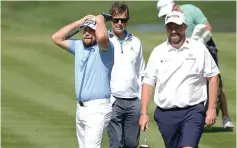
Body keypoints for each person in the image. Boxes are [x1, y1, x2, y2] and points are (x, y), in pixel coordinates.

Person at [139, 11, 220, 148]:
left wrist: (211, 108)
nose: (174, 31)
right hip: (165, 114)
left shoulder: (198, 48)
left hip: (193, 110)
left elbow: (213, 76)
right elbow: (148, 83)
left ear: (184, 27)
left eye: (177, 27)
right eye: (170, 27)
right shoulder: (158, 52)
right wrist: (144, 114)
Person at [156, 0, 234, 129]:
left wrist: (200, 40)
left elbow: (208, 27)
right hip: (186, 49)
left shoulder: (191, 10)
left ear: (175, 6)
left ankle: (225, 117)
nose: (167, 17)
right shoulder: (170, 20)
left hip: (206, 45)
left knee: (216, 80)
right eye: (165, 16)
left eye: (168, 13)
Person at [52, 14, 114, 148]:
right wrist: (80, 21)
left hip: (97, 109)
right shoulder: (79, 46)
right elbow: (56, 38)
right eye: (85, 30)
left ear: (97, 33)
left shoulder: (105, 49)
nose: (87, 34)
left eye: (91, 31)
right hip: (81, 109)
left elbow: (103, 37)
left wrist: (100, 20)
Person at [107, 1, 146, 148]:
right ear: (110, 20)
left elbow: (141, 72)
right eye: (115, 20)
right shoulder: (105, 40)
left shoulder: (135, 42)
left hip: (133, 101)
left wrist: (141, 100)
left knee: (131, 144)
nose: (119, 23)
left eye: (123, 20)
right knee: (115, 143)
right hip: (114, 100)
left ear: (127, 21)